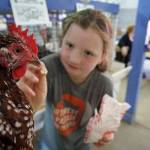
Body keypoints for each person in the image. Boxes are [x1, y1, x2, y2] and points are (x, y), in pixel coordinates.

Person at [17, 9, 115, 150]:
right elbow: (19, 107)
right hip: (48, 145)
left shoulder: (103, 86)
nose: (74, 59)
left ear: (102, 57)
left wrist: (104, 135)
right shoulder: (48, 68)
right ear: (62, 40)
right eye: (69, 45)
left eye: (88, 53)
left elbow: (105, 123)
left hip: (82, 146)